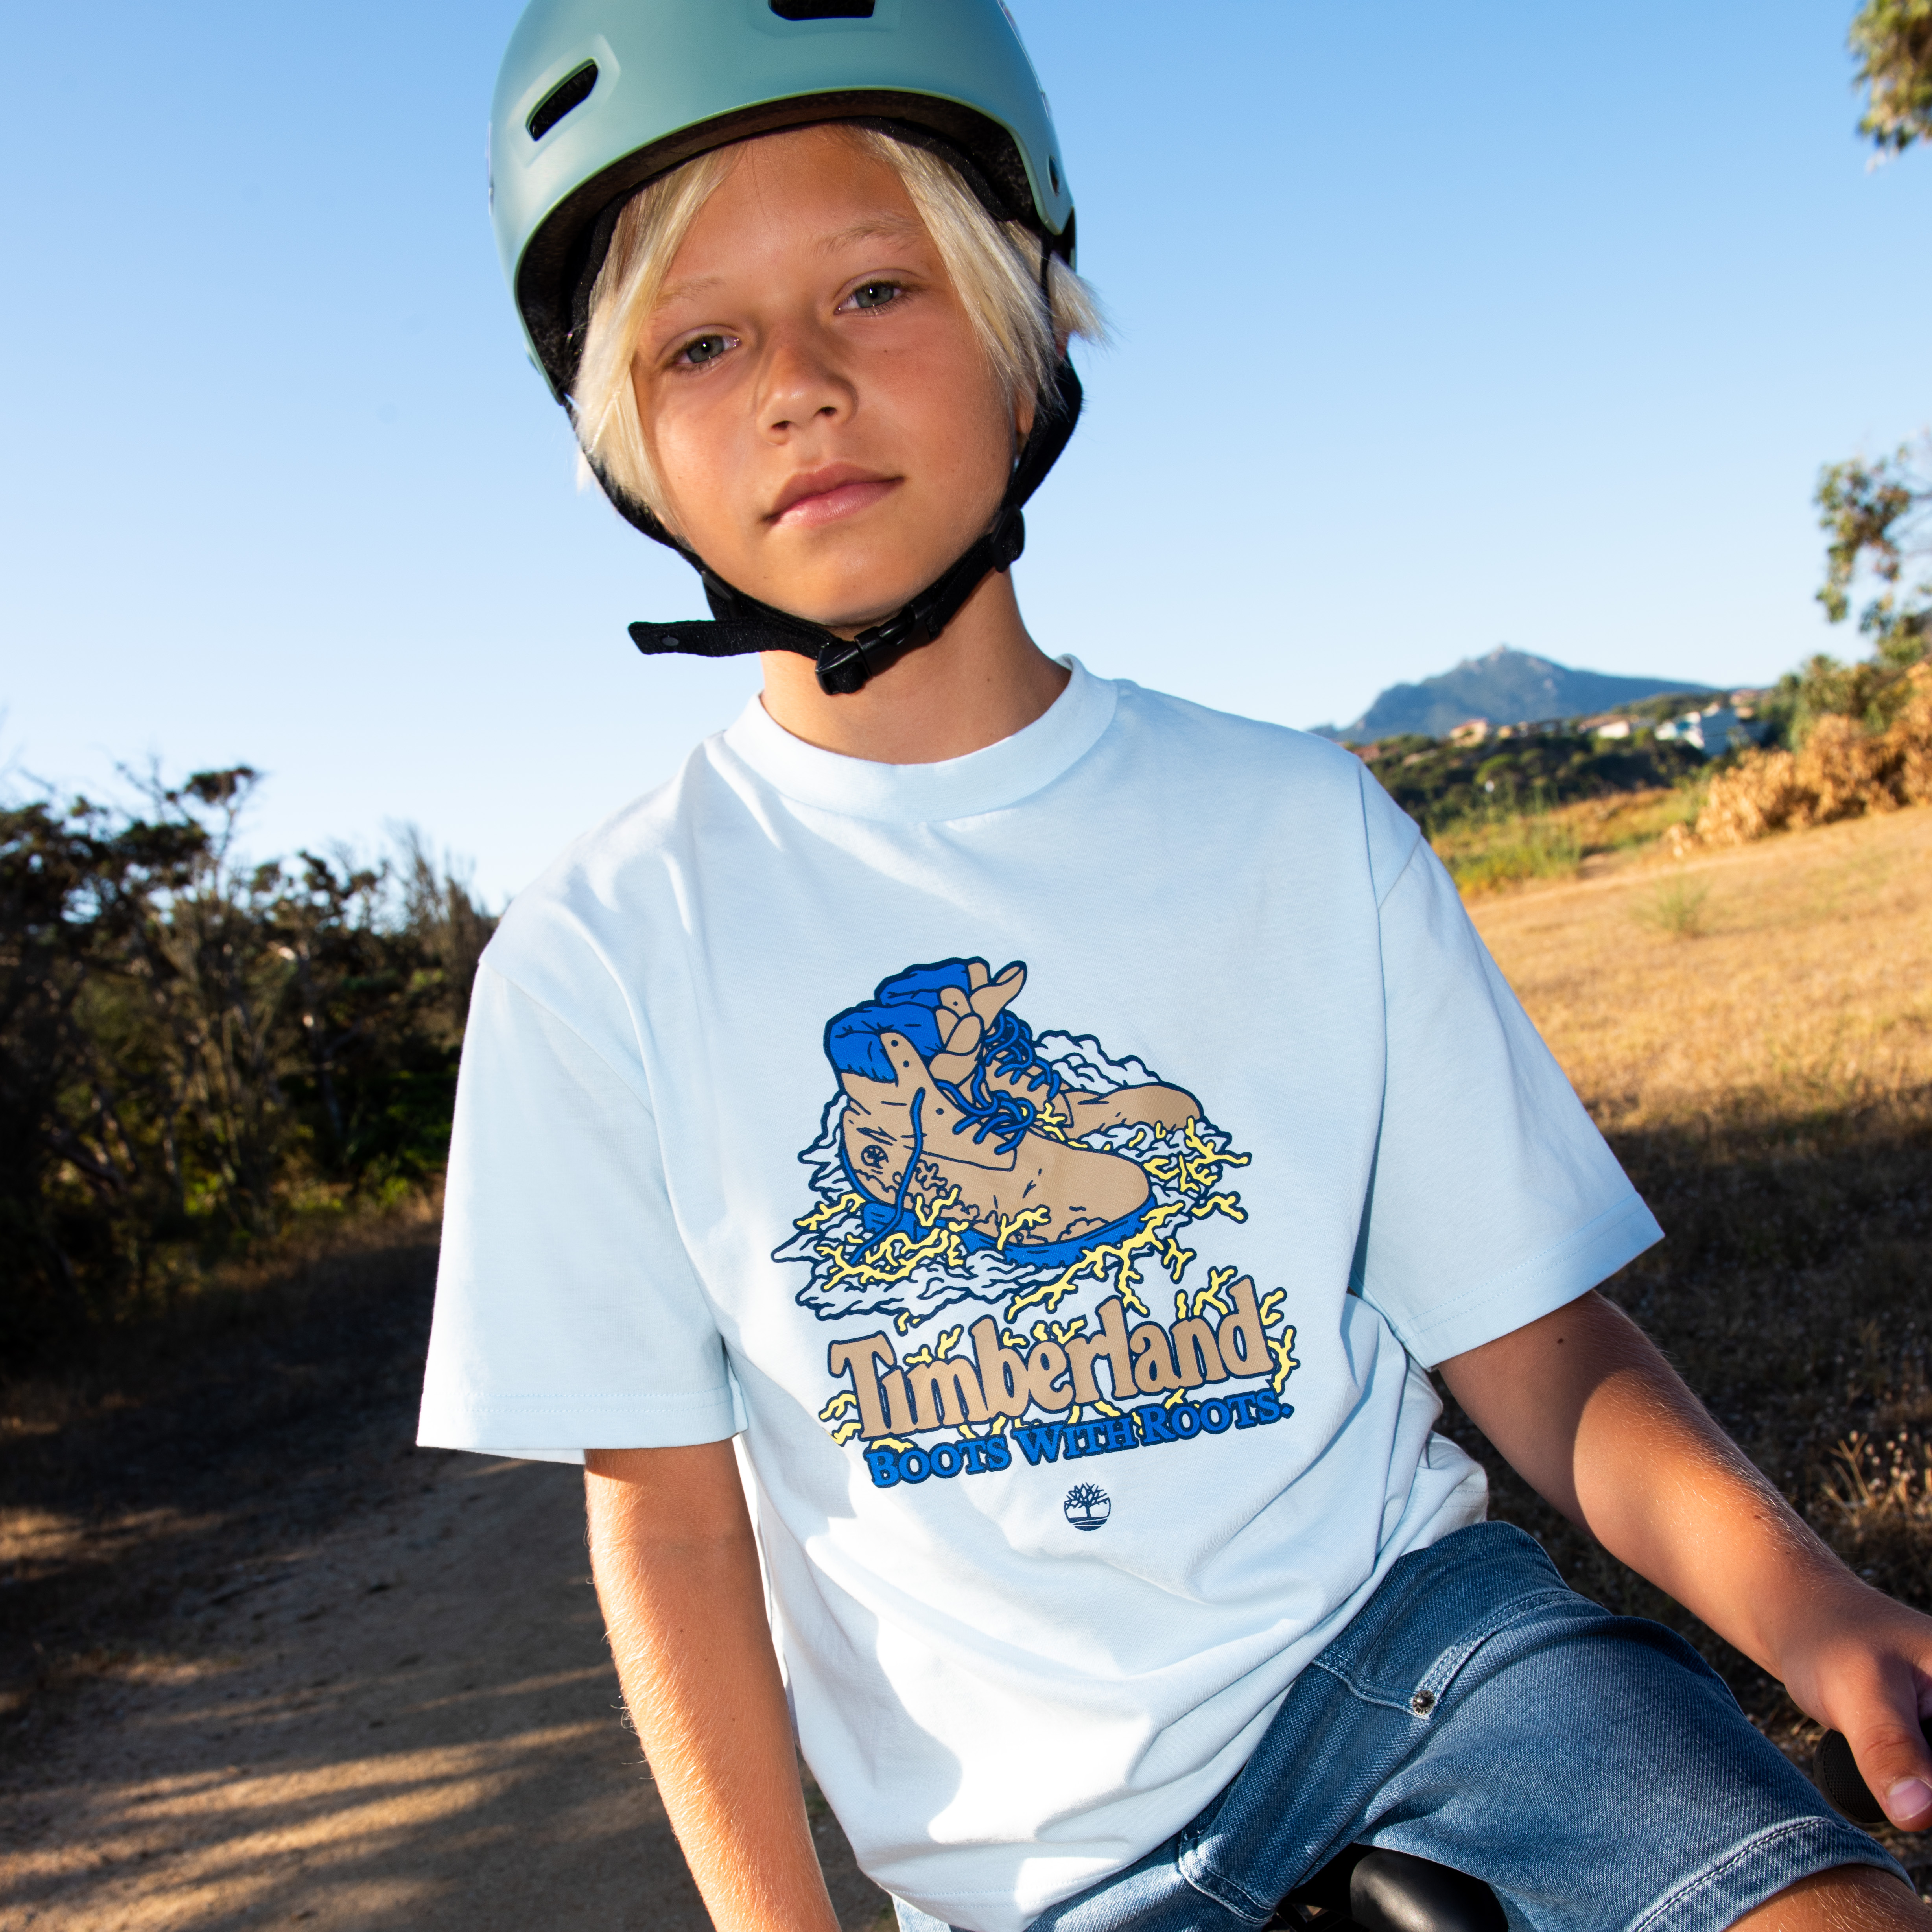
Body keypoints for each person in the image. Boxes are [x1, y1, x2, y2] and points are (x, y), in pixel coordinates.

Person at [418, 4, 1932, 1928]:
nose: (796, 384)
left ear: (1029, 325)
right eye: (702, 341)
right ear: (623, 436)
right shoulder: (599, 954)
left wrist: (1805, 1603)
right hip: (1032, 1870)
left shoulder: (1297, 826)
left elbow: (1527, 1335)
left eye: (874, 289)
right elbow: (670, 1511)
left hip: (1431, 1667)